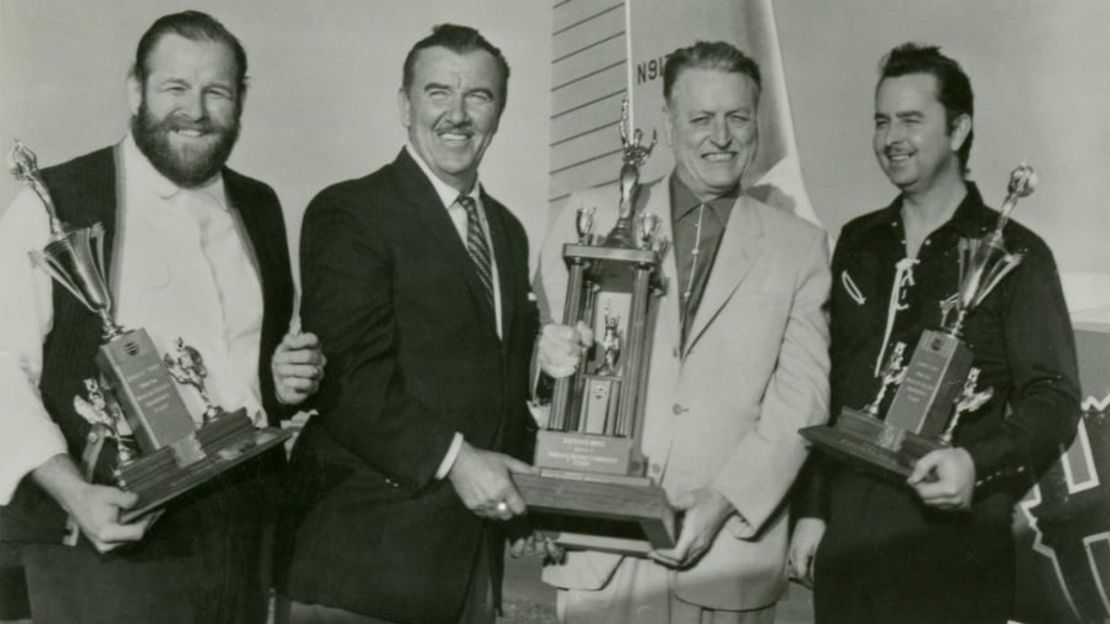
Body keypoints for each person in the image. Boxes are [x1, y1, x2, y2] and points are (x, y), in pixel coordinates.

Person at [0, 11, 324, 624]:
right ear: (135, 91)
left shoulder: (260, 206)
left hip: (240, 531)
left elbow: (252, 375)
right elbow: (1, 367)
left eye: (216, 92)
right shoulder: (55, 202)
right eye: (175, 88)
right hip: (111, 533)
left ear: (241, 100)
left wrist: (280, 382)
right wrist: (74, 493)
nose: (195, 110)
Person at [536, 41, 831, 624]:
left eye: (737, 117)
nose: (720, 137)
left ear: (757, 122)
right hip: (601, 552)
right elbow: (542, 368)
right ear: (668, 124)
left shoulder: (800, 247)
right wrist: (544, 361)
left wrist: (722, 503)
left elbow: (802, 401)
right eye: (700, 118)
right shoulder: (587, 218)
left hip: (726, 558)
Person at [788, 43, 1080, 624]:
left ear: (959, 128)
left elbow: (1054, 399)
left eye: (911, 120)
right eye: (881, 120)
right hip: (849, 542)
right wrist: (814, 508)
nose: (891, 137)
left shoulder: (1019, 255)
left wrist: (976, 463)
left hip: (955, 549)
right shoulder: (857, 243)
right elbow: (831, 387)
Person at [276, 24, 539, 624]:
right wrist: (459, 461)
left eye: (480, 96)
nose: (458, 114)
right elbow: (348, 380)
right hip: (364, 563)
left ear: (500, 111)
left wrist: (530, 496)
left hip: (470, 561)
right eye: (438, 92)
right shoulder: (351, 212)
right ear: (405, 105)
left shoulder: (507, 230)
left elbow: (502, 382)